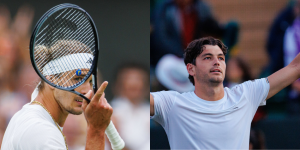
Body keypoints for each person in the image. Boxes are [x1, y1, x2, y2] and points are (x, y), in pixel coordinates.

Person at [150, 36, 300, 149]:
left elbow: (295, 67)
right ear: (191, 69)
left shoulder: (246, 94)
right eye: (208, 57)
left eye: (221, 58)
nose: (217, 62)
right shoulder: (171, 103)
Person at [1, 41, 113, 150]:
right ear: (51, 79)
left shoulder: (34, 118)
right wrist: (96, 130)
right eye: (77, 79)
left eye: (90, 82)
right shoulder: (40, 130)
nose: (87, 91)